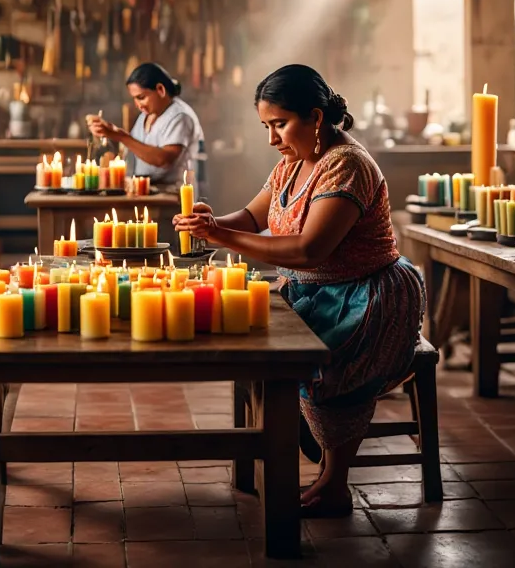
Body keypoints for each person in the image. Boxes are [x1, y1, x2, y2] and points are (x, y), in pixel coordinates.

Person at [174, 64, 424, 517]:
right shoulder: (292, 160)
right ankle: (292, 443)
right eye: (266, 126)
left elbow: (310, 250)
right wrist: (210, 224)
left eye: (279, 124)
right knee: (255, 338)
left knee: (324, 362)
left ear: (314, 116)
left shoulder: (346, 165)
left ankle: (334, 483)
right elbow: (252, 219)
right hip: (313, 288)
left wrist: (221, 238)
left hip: (365, 294)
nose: (272, 138)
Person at [86, 62, 204, 187]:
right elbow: (133, 151)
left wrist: (120, 135)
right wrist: (108, 134)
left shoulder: (180, 116)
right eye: (134, 99)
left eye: (141, 97)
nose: (138, 104)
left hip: (173, 196)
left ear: (160, 90)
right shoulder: (145, 116)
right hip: (148, 191)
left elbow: (163, 159)